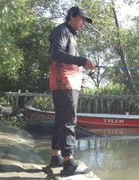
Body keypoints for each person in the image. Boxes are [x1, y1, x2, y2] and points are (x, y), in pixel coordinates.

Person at [48, 6, 95, 175]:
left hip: (65, 83)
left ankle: (56, 156)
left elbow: (68, 58)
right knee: (68, 121)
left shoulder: (71, 34)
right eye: (83, 19)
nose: (84, 24)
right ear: (72, 15)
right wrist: (83, 60)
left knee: (61, 120)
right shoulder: (61, 30)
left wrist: (82, 66)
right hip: (64, 83)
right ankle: (68, 163)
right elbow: (57, 53)